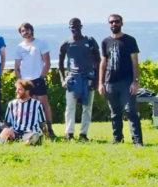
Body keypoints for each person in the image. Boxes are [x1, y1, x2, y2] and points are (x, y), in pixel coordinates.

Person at [99, 14, 142, 147]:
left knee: (130, 111)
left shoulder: (129, 40)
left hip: (126, 81)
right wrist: (100, 83)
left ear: (121, 23)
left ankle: (137, 141)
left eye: (116, 22)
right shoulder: (105, 42)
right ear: (108, 25)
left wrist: (135, 81)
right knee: (115, 112)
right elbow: (103, 63)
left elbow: (135, 62)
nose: (114, 24)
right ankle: (117, 138)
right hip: (110, 82)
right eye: (111, 22)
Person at [58, 18, 101, 142]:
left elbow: (98, 60)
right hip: (72, 79)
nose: (75, 29)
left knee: (87, 107)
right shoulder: (66, 43)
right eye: (72, 26)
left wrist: (96, 79)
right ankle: (69, 133)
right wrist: (62, 79)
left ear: (81, 26)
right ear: (69, 28)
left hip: (88, 77)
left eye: (77, 26)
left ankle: (83, 134)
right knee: (70, 107)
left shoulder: (90, 41)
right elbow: (60, 63)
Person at [13, 22, 54, 137]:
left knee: (43, 104)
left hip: (38, 78)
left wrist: (42, 76)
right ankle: (33, 129)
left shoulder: (41, 44)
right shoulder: (19, 47)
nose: (25, 32)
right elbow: (16, 67)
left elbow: (47, 62)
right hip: (26, 81)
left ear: (31, 30)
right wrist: (20, 82)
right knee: (29, 105)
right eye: (22, 31)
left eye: (27, 30)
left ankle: (49, 129)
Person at [0, 79, 46, 145]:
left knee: (34, 135)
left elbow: (42, 123)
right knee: (6, 131)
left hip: (30, 131)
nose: (16, 91)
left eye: (19, 89)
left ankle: (28, 141)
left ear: (27, 91)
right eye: (16, 89)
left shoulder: (37, 104)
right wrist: (4, 131)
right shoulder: (12, 104)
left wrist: (46, 135)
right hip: (16, 132)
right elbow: (7, 123)